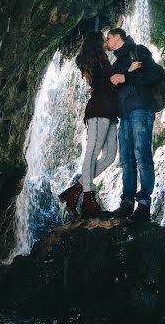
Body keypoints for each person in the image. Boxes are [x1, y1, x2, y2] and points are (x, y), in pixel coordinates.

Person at [57, 31, 120, 218]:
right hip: (99, 111)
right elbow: (105, 84)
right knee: (91, 153)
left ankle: (75, 190)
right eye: (103, 40)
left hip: (109, 113)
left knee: (109, 156)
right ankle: (88, 198)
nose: (105, 42)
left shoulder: (102, 60)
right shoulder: (97, 62)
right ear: (96, 43)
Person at [104, 27, 161, 223]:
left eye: (108, 37)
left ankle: (143, 204)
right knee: (127, 160)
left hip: (141, 110)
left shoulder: (138, 51)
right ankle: (127, 203)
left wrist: (126, 77)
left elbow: (153, 74)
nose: (106, 41)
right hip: (124, 115)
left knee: (142, 156)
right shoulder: (117, 62)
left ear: (118, 37)